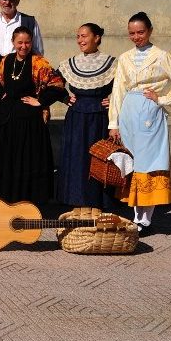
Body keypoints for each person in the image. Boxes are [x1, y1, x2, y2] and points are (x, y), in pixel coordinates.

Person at [109, 12, 171, 231]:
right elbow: (118, 90)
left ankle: (146, 219)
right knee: (133, 163)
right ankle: (137, 216)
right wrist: (114, 123)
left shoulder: (162, 56)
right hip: (129, 110)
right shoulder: (125, 58)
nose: (136, 37)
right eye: (132, 33)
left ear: (150, 31)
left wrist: (162, 99)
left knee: (150, 164)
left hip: (150, 113)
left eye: (141, 32)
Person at [0, 27, 67, 204]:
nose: (23, 46)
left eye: (27, 42)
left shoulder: (39, 62)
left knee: (27, 161)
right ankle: (7, 199)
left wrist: (40, 101)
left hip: (29, 121)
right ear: (13, 43)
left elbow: (57, 84)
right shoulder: (6, 60)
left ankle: (28, 201)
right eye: (20, 42)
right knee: (8, 160)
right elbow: (1, 83)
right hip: (8, 121)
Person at [55, 23, 118, 208]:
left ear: (96, 37)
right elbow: (52, 82)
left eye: (84, 36)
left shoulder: (112, 63)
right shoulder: (70, 63)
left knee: (98, 160)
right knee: (76, 159)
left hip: (99, 117)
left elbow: (124, 87)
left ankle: (99, 201)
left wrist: (113, 100)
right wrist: (65, 98)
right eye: (78, 36)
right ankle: (76, 200)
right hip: (76, 117)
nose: (80, 40)